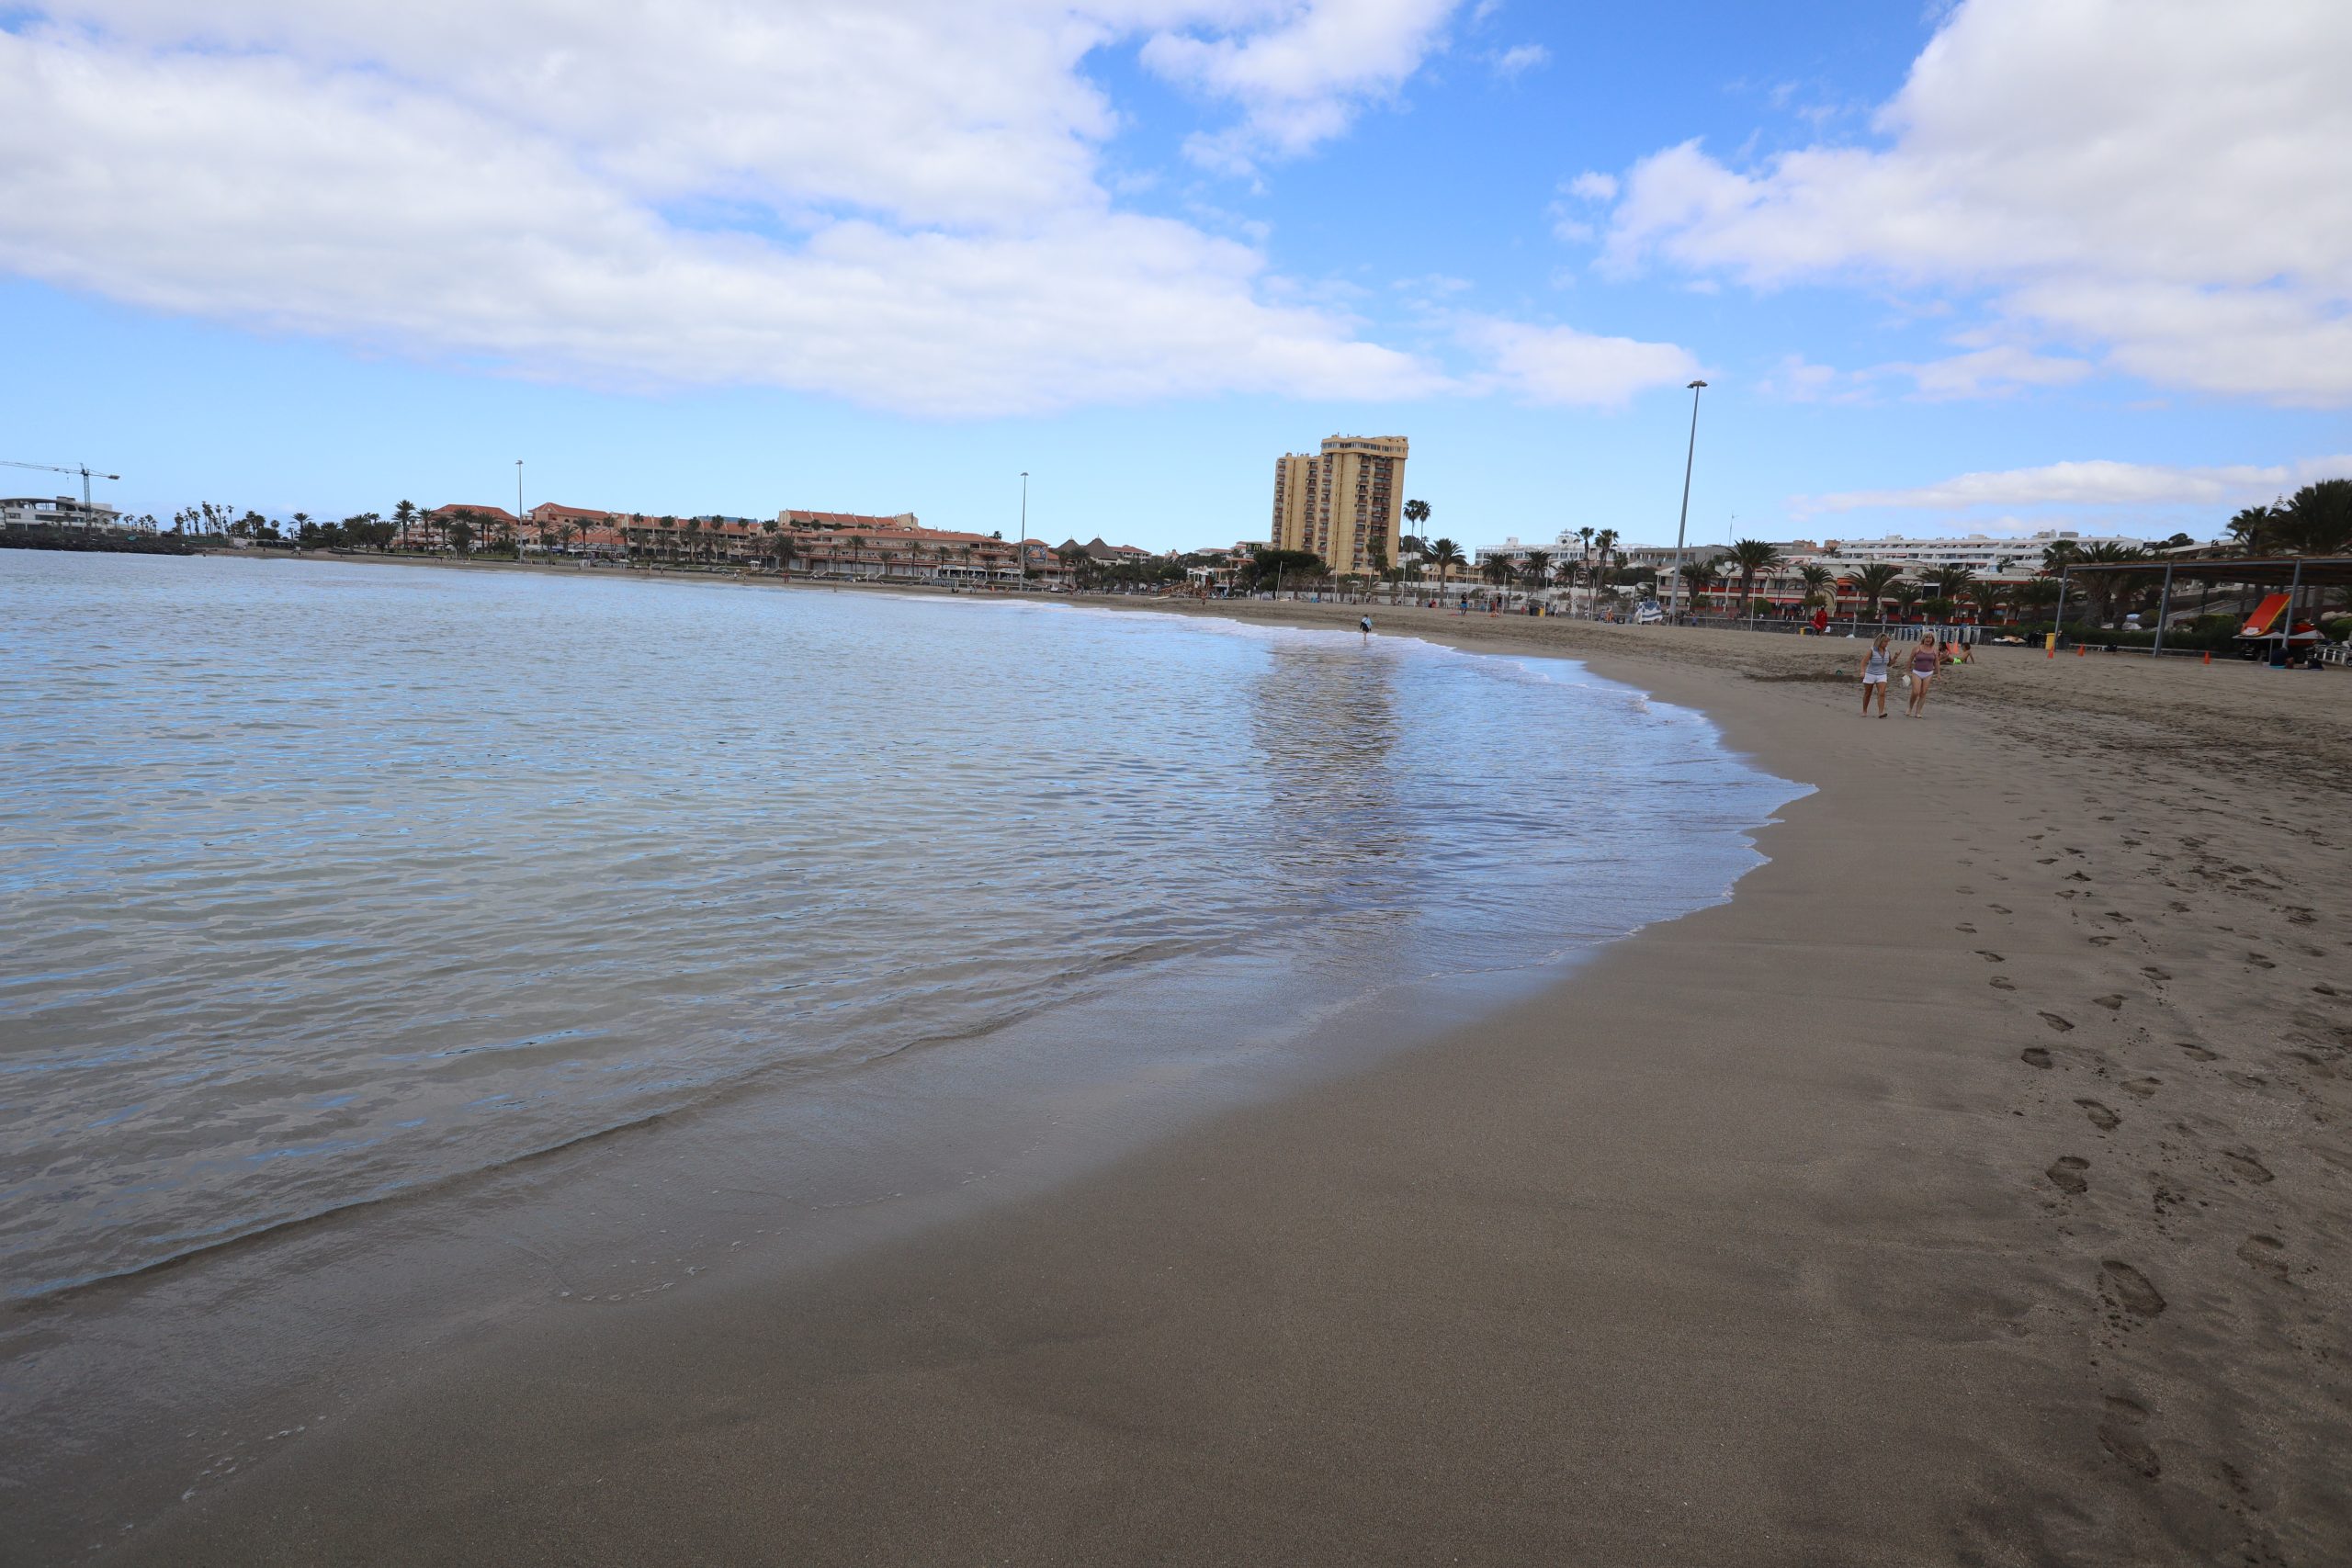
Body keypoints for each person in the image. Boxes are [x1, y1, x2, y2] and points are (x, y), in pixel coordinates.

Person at [1860, 633, 1892, 717]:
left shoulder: (1887, 651)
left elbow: (1889, 664)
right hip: (1870, 674)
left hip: (1882, 674)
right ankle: (1864, 710)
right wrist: (1862, 671)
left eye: (1887, 642)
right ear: (1880, 642)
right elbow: (1863, 662)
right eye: (1885, 642)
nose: (1887, 643)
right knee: (1868, 693)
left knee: (1882, 693)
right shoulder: (1872, 650)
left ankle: (1881, 712)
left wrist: (1895, 657)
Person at [1907, 634, 1939, 716]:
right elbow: (1910, 659)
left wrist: (1938, 673)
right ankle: (1910, 708)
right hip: (1917, 672)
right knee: (1915, 692)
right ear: (1923, 639)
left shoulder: (1935, 650)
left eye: (1930, 638)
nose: (1928, 639)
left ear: (1932, 640)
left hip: (1928, 673)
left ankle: (1918, 712)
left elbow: (1936, 662)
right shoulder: (1917, 648)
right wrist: (1907, 671)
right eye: (1926, 638)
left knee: (1923, 693)